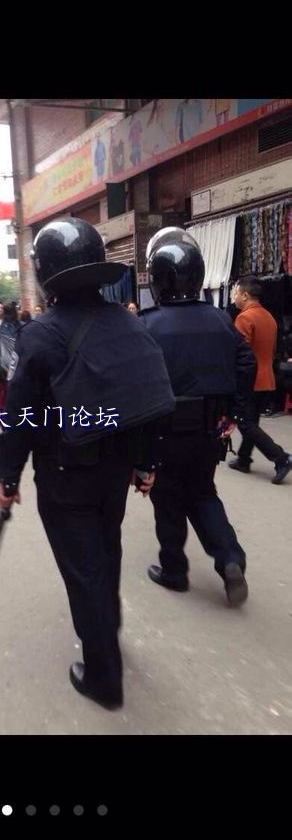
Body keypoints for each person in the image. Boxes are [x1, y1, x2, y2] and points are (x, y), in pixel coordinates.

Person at [0, 217, 175, 710]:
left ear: (45, 273)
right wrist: (145, 464)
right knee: (106, 551)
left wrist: (7, 477)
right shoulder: (129, 323)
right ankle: (107, 632)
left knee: (84, 569)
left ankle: (103, 676)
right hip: (115, 470)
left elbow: (19, 418)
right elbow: (147, 400)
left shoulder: (39, 335)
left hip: (64, 474)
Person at [141, 228, 257, 606]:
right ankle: (230, 557)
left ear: (158, 280)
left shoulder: (146, 324)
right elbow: (246, 363)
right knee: (204, 492)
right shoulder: (221, 319)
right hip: (209, 430)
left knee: (168, 499)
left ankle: (174, 571)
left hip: (164, 431)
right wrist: (234, 411)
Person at [228, 276, 291, 485]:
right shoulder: (269, 317)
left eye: (236, 293)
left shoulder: (244, 318)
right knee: (251, 421)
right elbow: (272, 351)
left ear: (245, 296)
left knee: (244, 423)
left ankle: (281, 457)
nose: (235, 297)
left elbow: (241, 354)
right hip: (267, 379)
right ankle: (244, 459)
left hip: (249, 380)